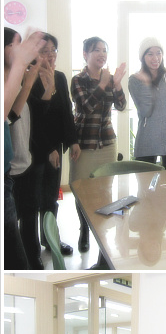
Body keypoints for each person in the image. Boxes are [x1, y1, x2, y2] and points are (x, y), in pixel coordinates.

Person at [70, 36, 126, 254]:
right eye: (96, 50)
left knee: (104, 190)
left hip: (107, 142)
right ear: (85, 54)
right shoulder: (78, 80)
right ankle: (84, 229)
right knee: (81, 189)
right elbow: (85, 107)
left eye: (104, 50)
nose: (102, 54)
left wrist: (117, 83)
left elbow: (121, 105)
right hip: (84, 142)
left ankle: (101, 229)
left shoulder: (109, 78)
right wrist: (103, 83)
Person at [28, 33, 80, 258]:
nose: (50, 55)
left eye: (53, 51)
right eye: (44, 51)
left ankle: (50, 240)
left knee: (50, 196)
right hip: (34, 148)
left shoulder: (59, 77)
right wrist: (48, 149)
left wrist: (72, 140)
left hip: (55, 147)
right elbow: (32, 121)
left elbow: (66, 111)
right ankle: (31, 249)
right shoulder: (27, 77)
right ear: (34, 54)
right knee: (32, 200)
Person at [5, 27, 45, 269]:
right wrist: (20, 66)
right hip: (8, 173)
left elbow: (10, 116)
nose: (20, 50)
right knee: (16, 261)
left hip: (9, 172)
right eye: (15, 44)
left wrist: (27, 83)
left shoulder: (13, 78)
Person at [129, 36, 166, 171]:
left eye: (158, 53)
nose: (155, 58)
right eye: (150, 54)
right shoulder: (135, 80)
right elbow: (146, 111)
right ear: (142, 57)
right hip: (147, 140)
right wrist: (146, 84)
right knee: (145, 182)